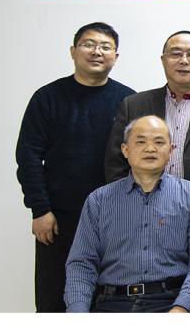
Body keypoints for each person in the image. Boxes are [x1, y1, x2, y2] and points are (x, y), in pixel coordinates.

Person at [15, 22, 136, 312]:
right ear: (73, 51)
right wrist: (40, 209)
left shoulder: (128, 101)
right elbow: (28, 156)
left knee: (108, 300)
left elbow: (141, 158)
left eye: (105, 47)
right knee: (54, 299)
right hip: (59, 218)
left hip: (114, 217)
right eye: (88, 44)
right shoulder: (47, 97)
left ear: (116, 56)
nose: (96, 52)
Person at [64, 116, 190, 312]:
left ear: (171, 151)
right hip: (112, 304)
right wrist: (78, 313)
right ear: (125, 150)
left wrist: (182, 307)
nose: (150, 148)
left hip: (171, 302)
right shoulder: (98, 201)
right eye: (141, 141)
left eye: (159, 142)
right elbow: (81, 263)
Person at [103, 30, 190, 215]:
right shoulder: (134, 105)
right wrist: (131, 200)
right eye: (176, 53)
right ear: (163, 60)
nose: (184, 61)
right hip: (140, 210)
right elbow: (115, 162)